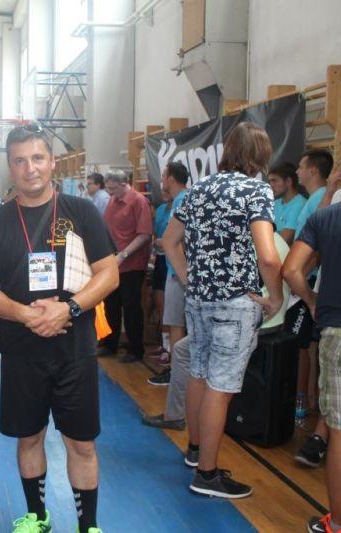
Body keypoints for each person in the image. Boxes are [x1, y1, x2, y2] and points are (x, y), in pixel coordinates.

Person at [0, 124, 118, 533]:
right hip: (22, 349)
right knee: (29, 438)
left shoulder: (81, 212)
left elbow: (109, 273)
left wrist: (67, 309)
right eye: (20, 161)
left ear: (53, 162)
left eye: (37, 158)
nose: (30, 168)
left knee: (81, 442)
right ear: (10, 167)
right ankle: (37, 517)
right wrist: (26, 314)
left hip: (75, 351)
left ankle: (88, 525)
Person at [162, 121, 283, 498]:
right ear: (261, 155)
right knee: (221, 387)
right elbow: (267, 255)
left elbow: (169, 241)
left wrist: (189, 279)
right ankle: (208, 474)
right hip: (235, 302)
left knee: (199, 374)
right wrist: (276, 296)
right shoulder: (256, 190)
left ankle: (195, 452)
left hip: (199, 300)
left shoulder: (198, 189)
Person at [282, 199, 341, 533]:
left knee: (339, 430)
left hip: (337, 328)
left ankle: (338, 524)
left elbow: (291, 270)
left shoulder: (326, 217)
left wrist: (311, 300)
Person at [288, 149, 334, 461]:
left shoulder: (323, 206)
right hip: (316, 293)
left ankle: (305, 404)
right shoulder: (320, 203)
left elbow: (304, 258)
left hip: (318, 295)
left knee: (305, 347)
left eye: (302, 166)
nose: (298, 172)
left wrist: (306, 293)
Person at [100, 170, 152, 363]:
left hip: (131, 264)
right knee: (111, 305)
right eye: (108, 188)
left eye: (113, 188)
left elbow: (145, 234)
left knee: (131, 307)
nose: (110, 192)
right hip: (113, 264)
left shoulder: (138, 201)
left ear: (124, 184)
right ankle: (110, 343)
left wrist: (124, 255)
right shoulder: (113, 201)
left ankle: (135, 349)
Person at [150, 161, 190, 383]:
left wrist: (181, 274)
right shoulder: (184, 199)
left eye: (164, 176)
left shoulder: (182, 201)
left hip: (178, 273)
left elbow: (176, 240)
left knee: (176, 324)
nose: (162, 181)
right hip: (178, 271)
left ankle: (176, 375)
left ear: (171, 179)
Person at [150, 189, 172, 363]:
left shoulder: (181, 205)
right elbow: (156, 234)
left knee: (171, 307)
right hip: (160, 258)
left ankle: (170, 348)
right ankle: (164, 344)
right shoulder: (160, 210)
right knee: (160, 303)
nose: (164, 192)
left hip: (172, 260)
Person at [269, 162, 306, 245]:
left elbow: (284, 240)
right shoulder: (274, 204)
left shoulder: (300, 204)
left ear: (288, 181)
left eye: (275, 181)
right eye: (270, 181)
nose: (271, 185)